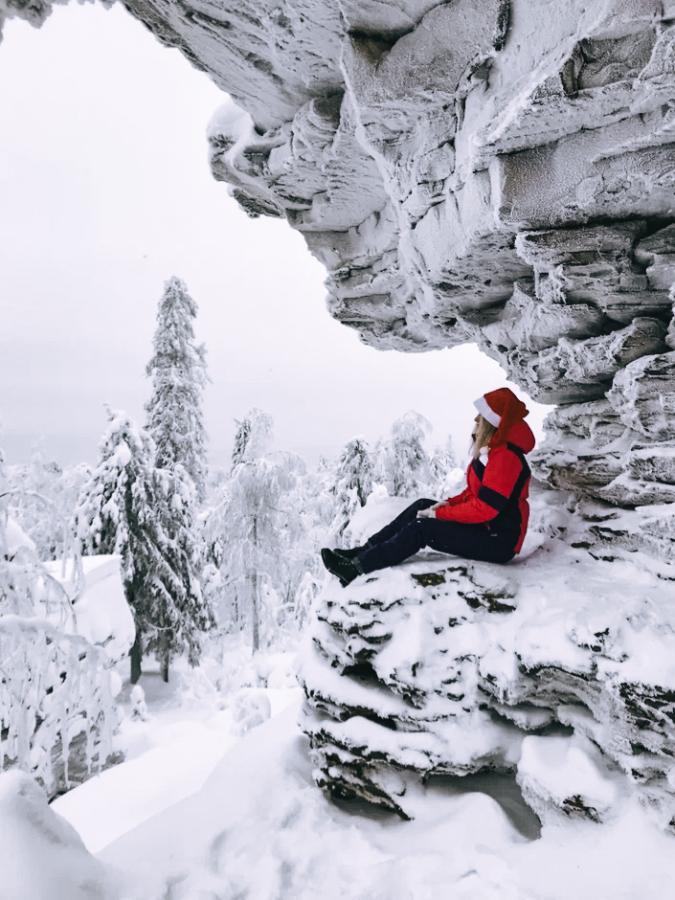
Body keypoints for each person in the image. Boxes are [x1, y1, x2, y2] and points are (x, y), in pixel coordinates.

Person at [321, 388, 535, 587]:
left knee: (422, 528)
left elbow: (486, 508)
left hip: (498, 542)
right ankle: (361, 552)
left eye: (479, 420)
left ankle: (356, 569)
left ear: (491, 424)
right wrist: (446, 504)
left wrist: (441, 514)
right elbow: (473, 493)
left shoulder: (505, 458)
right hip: (488, 529)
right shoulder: (493, 453)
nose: (475, 423)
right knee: (421, 506)